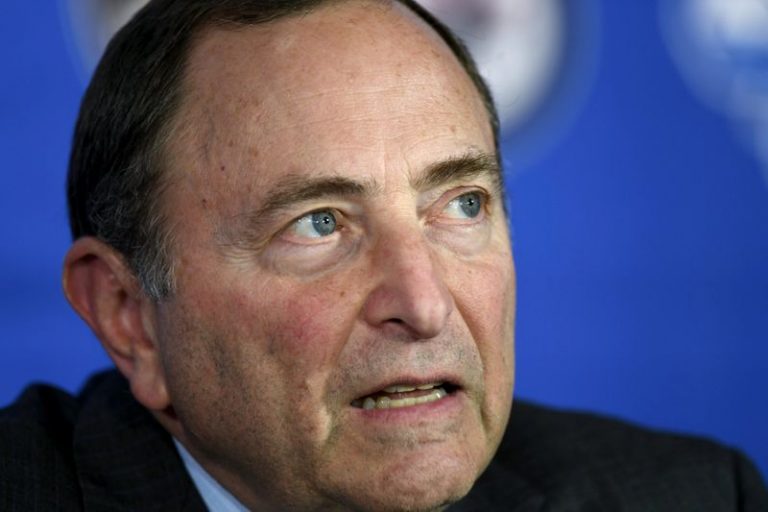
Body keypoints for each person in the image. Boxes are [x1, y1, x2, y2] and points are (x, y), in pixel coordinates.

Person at [1, 0, 766, 510]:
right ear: (129, 316)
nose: (424, 304)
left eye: (462, 204)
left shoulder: (689, 496)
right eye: (319, 224)